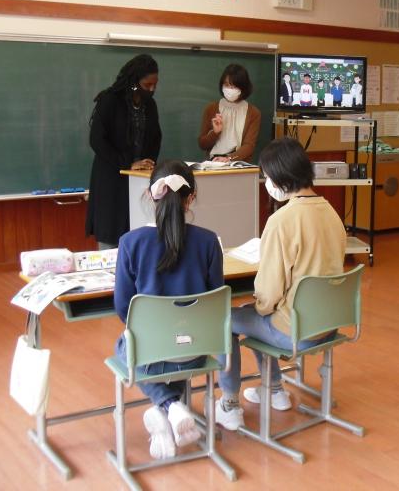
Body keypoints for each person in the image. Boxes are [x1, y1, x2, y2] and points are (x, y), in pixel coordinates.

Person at [215, 138, 346, 431]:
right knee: (257, 315)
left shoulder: (281, 220)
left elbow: (269, 294)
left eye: (267, 176)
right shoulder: (331, 212)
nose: (267, 183)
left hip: (295, 331)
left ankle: (229, 402)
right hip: (328, 323)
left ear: (280, 176)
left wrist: (260, 306)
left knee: (227, 318)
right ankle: (274, 389)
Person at [113, 160, 224, 460]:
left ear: (150, 195)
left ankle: (167, 405)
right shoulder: (208, 241)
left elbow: (124, 309)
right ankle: (170, 407)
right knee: (170, 342)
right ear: (191, 198)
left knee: (123, 346)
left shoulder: (130, 243)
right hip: (196, 349)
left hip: (151, 354)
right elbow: (215, 300)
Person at [86, 54, 162, 250]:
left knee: (139, 234)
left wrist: (148, 163)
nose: (151, 89)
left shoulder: (150, 105)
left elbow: (156, 138)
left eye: (155, 85)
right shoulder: (110, 100)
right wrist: (126, 163)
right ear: (134, 82)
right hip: (111, 178)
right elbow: (97, 140)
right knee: (111, 235)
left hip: (139, 180)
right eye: (147, 85)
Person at [198, 63, 261, 162]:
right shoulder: (211, 108)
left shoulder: (253, 113)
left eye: (234, 86)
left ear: (243, 88)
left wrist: (229, 158)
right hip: (214, 162)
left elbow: (249, 145)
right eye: (227, 85)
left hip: (238, 162)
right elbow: (202, 144)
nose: (230, 89)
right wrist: (215, 133)